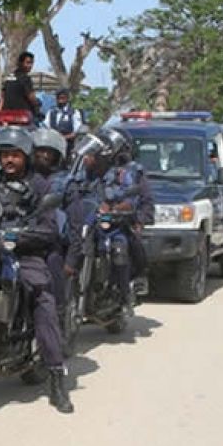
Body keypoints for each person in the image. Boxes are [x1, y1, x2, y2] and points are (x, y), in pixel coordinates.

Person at [0, 126, 73, 414]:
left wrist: (22, 237)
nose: (9, 160)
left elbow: (50, 229)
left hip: (26, 253)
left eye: (15, 154)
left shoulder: (41, 186)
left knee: (43, 301)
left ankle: (56, 377)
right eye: (4, 154)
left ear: (26, 155)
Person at [69, 127, 153, 321]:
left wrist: (118, 209)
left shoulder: (127, 173)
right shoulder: (84, 171)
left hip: (115, 224)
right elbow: (70, 188)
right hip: (86, 222)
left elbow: (137, 198)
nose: (90, 156)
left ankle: (124, 297)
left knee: (119, 248)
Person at [31, 128, 71, 317]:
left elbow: (73, 217)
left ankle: (58, 312)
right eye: (40, 150)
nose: (44, 156)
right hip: (18, 235)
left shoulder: (64, 181)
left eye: (50, 152)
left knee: (53, 261)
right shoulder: (21, 177)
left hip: (50, 237)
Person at [0, 51, 40, 119]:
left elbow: (2, 95)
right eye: (28, 63)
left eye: (32, 63)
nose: (30, 66)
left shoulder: (10, 77)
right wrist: (37, 104)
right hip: (21, 116)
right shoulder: (25, 78)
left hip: (7, 115)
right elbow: (31, 97)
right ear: (21, 63)